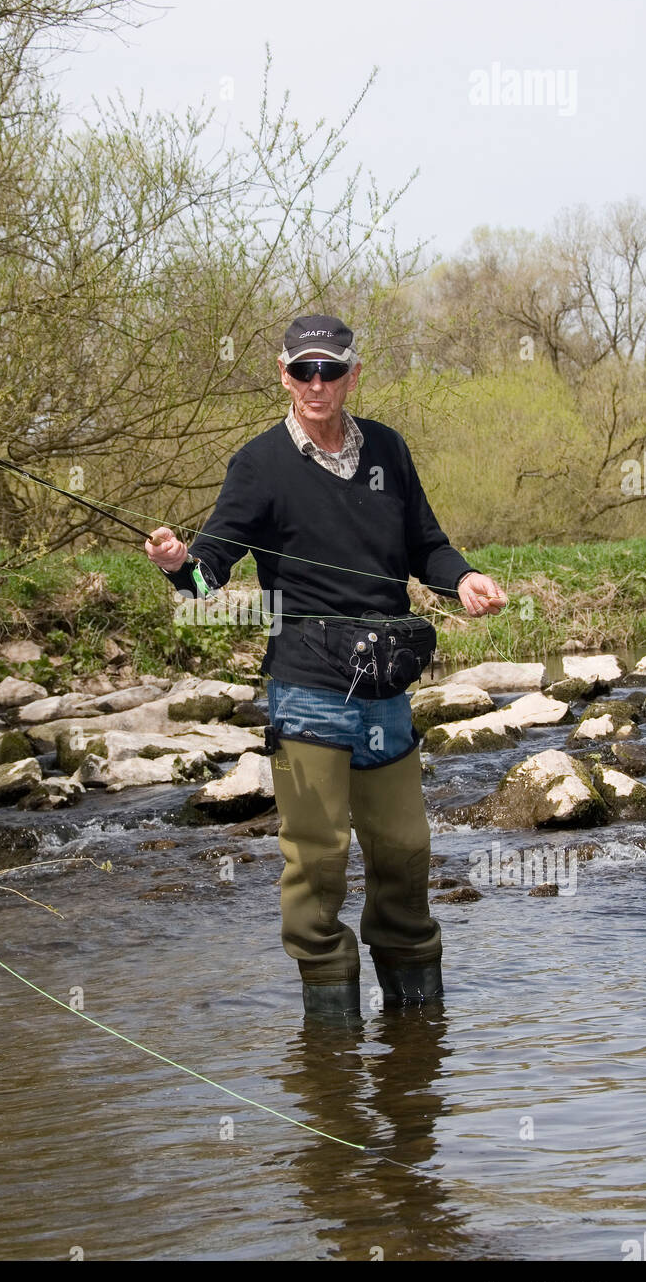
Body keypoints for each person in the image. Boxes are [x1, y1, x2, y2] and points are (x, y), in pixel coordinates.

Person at [145, 315, 506, 1020]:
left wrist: (459, 580)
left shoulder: (390, 452)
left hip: (386, 689)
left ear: (352, 375)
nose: (317, 384)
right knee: (316, 863)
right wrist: (176, 566)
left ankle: (415, 1033)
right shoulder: (259, 463)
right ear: (283, 374)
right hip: (307, 688)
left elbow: (426, 545)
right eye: (303, 371)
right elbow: (207, 577)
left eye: (330, 371)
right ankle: (331, 1042)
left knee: (403, 850)